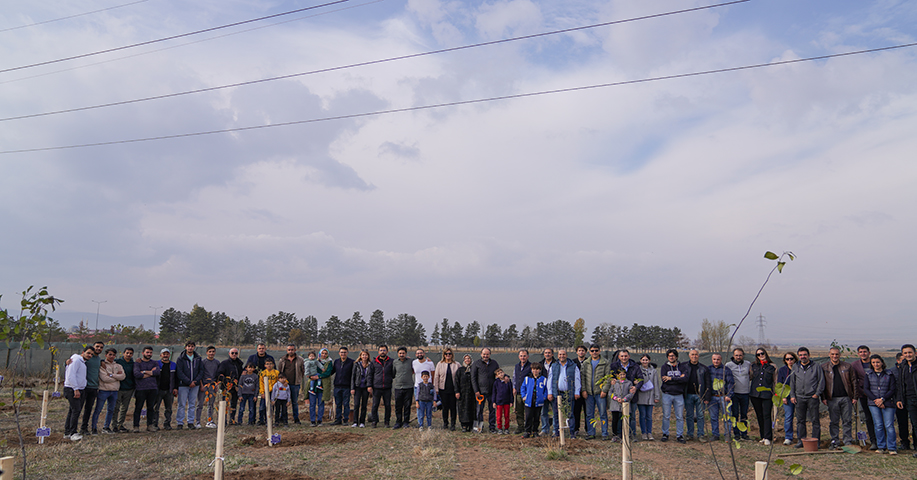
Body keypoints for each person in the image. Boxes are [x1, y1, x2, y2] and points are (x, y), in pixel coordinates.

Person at [821, 346, 857, 449]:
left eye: (836, 354)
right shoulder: (824, 367)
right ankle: (834, 441)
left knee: (847, 420)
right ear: (829, 355)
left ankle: (847, 441)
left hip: (846, 398)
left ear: (840, 355)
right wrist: (823, 397)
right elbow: (822, 384)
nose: (835, 356)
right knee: (834, 421)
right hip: (832, 399)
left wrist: (854, 396)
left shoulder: (847, 366)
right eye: (832, 354)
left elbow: (854, 381)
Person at [789, 347, 824, 448]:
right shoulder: (795, 366)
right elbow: (792, 382)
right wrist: (792, 395)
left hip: (812, 397)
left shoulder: (816, 366)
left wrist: (816, 394)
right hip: (799, 398)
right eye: (800, 355)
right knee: (800, 421)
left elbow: (821, 381)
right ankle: (801, 440)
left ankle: (816, 441)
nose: (802, 357)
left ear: (809, 355)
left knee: (815, 420)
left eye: (804, 355)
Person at [863, 354, 898, 454]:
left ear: (882, 362)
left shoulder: (889, 374)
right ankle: (881, 447)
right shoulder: (868, 374)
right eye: (873, 362)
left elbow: (892, 389)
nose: (876, 364)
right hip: (873, 403)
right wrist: (876, 400)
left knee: (889, 425)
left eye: (878, 362)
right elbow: (866, 389)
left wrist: (882, 399)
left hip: (888, 403)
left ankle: (892, 447)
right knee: (878, 425)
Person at [609, 349, 643, 438]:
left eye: (625, 356)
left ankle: (631, 434)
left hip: (631, 395)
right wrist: (611, 380)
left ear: (629, 356)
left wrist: (636, 387)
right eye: (622, 356)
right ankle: (619, 434)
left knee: (631, 416)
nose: (624, 358)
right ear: (619, 357)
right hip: (618, 397)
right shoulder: (614, 366)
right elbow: (610, 377)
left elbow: (640, 379)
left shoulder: (635, 366)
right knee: (618, 417)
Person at [64, 346, 95, 441]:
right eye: (88, 353)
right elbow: (70, 375)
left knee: (72, 410)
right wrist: (75, 389)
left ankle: (67, 432)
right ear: (83, 352)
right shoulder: (76, 360)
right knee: (76, 410)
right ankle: (73, 432)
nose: (90, 355)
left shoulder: (82, 362)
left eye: (91, 354)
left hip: (80, 389)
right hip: (72, 389)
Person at [547, 349, 580, 438]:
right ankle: (557, 432)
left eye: (564, 354)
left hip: (569, 393)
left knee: (570, 414)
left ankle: (571, 433)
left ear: (566, 355)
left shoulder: (573, 366)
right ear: (558, 356)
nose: (562, 356)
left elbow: (577, 379)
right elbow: (550, 380)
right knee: (556, 414)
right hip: (556, 394)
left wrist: (577, 391)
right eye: (560, 354)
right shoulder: (553, 366)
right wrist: (549, 392)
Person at [851, 345, 879, 450]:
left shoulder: (875, 362)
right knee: (869, 418)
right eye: (861, 352)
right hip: (864, 395)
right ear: (858, 354)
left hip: (878, 396)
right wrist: (857, 394)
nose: (863, 353)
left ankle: (882, 440)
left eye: (865, 351)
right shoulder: (855, 365)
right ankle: (873, 441)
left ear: (869, 352)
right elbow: (854, 381)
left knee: (879, 419)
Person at [582, 344, 610, 440]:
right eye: (592, 350)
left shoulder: (605, 362)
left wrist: (604, 390)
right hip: (589, 393)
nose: (594, 352)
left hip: (600, 393)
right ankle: (591, 433)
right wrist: (584, 390)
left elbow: (608, 377)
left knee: (602, 414)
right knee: (589, 414)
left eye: (596, 350)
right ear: (589, 352)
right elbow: (583, 378)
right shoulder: (586, 363)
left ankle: (604, 433)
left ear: (599, 351)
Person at [94, 347, 125, 434]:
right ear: (106, 355)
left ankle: (106, 427)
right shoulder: (102, 365)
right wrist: (116, 377)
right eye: (110, 354)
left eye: (113, 355)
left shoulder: (118, 366)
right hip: (104, 390)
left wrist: (111, 375)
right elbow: (104, 378)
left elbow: (123, 376)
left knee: (111, 410)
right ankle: (94, 427)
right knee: (98, 409)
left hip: (114, 391)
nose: (111, 356)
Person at [683, 349, 712, 442]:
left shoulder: (704, 368)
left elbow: (708, 384)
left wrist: (707, 397)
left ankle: (701, 435)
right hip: (688, 395)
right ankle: (690, 434)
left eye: (696, 354)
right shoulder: (684, 367)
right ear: (689, 355)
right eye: (692, 354)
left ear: (698, 356)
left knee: (700, 416)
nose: (694, 356)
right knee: (689, 415)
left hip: (700, 396)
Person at [750, 348, 777, 445]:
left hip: (767, 395)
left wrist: (776, 393)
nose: (761, 355)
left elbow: (775, 381)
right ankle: (762, 436)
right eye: (758, 354)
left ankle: (768, 437)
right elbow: (750, 377)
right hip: (755, 394)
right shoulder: (753, 366)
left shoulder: (772, 366)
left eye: (762, 353)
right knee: (759, 415)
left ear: (766, 354)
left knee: (767, 415)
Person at [660, 349, 687, 443]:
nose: (671, 357)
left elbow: (685, 379)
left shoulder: (682, 366)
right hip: (667, 394)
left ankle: (680, 435)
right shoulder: (664, 367)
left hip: (679, 395)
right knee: (666, 416)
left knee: (679, 416)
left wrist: (671, 378)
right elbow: (664, 379)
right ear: (668, 357)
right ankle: (665, 434)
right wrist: (678, 378)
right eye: (669, 356)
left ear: (676, 357)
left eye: (673, 356)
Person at [471, 348, 500, 433]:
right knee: (479, 410)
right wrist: (476, 390)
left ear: (490, 355)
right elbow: (473, 378)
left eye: (487, 354)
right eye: (484, 354)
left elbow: (498, 374)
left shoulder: (494, 363)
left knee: (492, 410)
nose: (485, 356)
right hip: (480, 392)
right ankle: (479, 428)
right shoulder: (476, 364)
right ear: (481, 354)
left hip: (492, 391)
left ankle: (492, 427)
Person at [132, 346, 160, 433]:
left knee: (151, 408)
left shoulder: (154, 362)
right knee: (138, 408)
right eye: (147, 352)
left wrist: (143, 372)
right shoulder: (137, 363)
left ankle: (150, 425)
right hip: (141, 389)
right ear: (143, 353)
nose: (149, 354)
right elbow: (137, 374)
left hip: (152, 388)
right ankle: (136, 426)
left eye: (150, 352)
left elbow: (157, 372)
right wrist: (150, 373)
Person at [725, 348, 751, 440]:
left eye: (740, 355)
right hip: (734, 394)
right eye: (736, 355)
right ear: (733, 355)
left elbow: (751, 375)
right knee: (735, 414)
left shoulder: (748, 364)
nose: (738, 357)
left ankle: (744, 433)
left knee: (744, 414)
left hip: (745, 393)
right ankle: (736, 434)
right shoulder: (728, 365)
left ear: (743, 355)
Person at [175, 342, 202, 430]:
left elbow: (201, 371)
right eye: (189, 346)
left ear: (194, 347)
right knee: (182, 404)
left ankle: (190, 422)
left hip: (195, 385)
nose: (190, 348)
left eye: (192, 346)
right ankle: (180, 422)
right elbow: (179, 372)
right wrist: (188, 381)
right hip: (183, 385)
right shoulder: (180, 359)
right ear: (186, 347)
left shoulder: (198, 358)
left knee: (192, 404)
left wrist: (195, 381)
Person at [79, 341, 104, 435]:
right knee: (78, 408)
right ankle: (72, 429)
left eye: (101, 347)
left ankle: (84, 428)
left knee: (88, 409)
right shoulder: (87, 357)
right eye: (97, 346)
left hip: (93, 388)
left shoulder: (98, 359)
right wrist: (67, 362)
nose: (99, 348)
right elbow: (72, 363)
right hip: (84, 387)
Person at [896, 345, 917, 453]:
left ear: (915, 353)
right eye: (905, 353)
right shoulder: (903, 366)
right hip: (906, 399)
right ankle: (906, 444)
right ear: (903, 355)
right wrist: (899, 399)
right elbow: (900, 384)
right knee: (905, 423)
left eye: (910, 352)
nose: (908, 355)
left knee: (915, 424)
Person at [708, 353, 734, 441]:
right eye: (714, 359)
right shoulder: (708, 369)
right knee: (713, 417)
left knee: (727, 417)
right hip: (712, 397)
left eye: (718, 359)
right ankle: (715, 434)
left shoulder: (726, 370)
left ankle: (727, 435)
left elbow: (731, 383)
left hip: (723, 397)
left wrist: (729, 395)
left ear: (721, 360)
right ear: (712, 360)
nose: (716, 361)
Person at [433, 347, 460, 431]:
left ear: (452, 355)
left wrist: (458, 390)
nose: (448, 355)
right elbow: (436, 377)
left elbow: (460, 377)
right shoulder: (440, 364)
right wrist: (436, 389)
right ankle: (445, 423)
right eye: (446, 354)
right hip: (443, 389)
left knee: (453, 407)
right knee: (445, 407)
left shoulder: (457, 364)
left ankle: (453, 424)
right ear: (444, 355)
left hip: (453, 390)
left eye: (449, 354)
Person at [637, 353, 663, 441]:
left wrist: (656, 396)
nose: (645, 361)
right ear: (640, 361)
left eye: (646, 360)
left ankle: (649, 432)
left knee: (649, 416)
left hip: (650, 397)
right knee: (642, 415)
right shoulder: (637, 369)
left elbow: (656, 383)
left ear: (649, 361)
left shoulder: (654, 371)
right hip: (641, 396)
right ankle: (643, 433)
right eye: (643, 360)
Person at [278, 344, 305, 425]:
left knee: (294, 402)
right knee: (283, 401)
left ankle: (296, 418)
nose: (291, 351)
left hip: (295, 384)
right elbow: (279, 371)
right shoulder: (282, 359)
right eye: (289, 350)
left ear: (295, 350)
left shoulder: (300, 359)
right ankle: (282, 418)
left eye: (292, 349)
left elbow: (303, 371)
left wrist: (299, 379)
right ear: (287, 350)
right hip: (284, 384)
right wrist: (282, 381)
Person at [368, 345, 394, 428]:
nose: (382, 352)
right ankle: (374, 421)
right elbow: (370, 375)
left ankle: (387, 422)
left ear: (387, 351)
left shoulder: (391, 361)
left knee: (387, 405)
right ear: (378, 352)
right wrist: (369, 386)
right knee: (375, 405)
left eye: (384, 350)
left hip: (387, 387)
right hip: (376, 387)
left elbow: (394, 373)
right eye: (381, 350)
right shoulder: (374, 362)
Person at [216, 348, 244, 425]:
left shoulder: (239, 363)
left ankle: (232, 420)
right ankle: (223, 420)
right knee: (225, 404)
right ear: (229, 353)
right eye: (232, 353)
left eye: (236, 353)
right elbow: (220, 374)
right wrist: (228, 383)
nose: (234, 354)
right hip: (226, 387)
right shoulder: (224, 363)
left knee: (234, 404)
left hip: (236, 388)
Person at [521, 362, 548, 438]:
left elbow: (546, 390)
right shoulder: (527, 378)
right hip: (529, 401)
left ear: (540, 370)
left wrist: (544, 397)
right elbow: (523, 388)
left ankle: (535, 431)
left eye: (537, 369)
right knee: (528, 416)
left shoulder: (544, 379)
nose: (535, 371)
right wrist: (524, 396)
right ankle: (527, 431)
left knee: (536, 417)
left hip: (538, 402)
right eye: (533, 369)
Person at [197, 346, 221, 428]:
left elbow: (218, 375)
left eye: (213, 351)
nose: (211, 353)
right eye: (210, 351)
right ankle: (197, 422)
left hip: (212, 386)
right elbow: (199, 374)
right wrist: (201, 385)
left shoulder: (217, 363)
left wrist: (217, 384)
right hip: (204, 385)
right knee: (200, 404)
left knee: (211, 404)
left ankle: (209, 421)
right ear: (207, 352)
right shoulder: (203, 362)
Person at [609, 368, 635, 442]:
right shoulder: (614, 383)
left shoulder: (629, 383)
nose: (622, 376)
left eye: (624, 374)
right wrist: (616, 398)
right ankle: (615, 435)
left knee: (622, 420)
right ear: (617, 375)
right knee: (615, 420)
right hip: (615, 405)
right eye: (620, 374)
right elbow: (610, 393)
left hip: (624, 405)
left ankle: (622, 435)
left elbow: (631, 393)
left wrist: (625, 399)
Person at [113, 347, 135, 433]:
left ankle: (120, 424)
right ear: (123, 353)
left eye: (130, 353)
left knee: (124, 408)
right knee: (116, 407)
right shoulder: (118, 362)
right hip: (119, 388)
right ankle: (113, 425)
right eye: (127, 353)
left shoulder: (133, 364)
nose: (129, 355)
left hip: (129, 388)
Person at [777, 352, 797, 444]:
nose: (790, 361)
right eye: (787, 359)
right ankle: (788, 437)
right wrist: (783, 397)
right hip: (787, 397)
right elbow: (780, 384)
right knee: (788, 417)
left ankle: (801, 437)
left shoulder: (798, 369)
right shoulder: (782, 370)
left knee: (800, 418)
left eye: (791, 359)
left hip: (798, 396)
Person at [892, 352, 911, 450]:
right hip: (899, 400)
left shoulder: (911, 369)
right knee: (902, 423)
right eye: (903, 360)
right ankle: (904, 442)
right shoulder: (893, 372)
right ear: (898, 361)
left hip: (912, 399)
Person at [392, 346, 414, 429]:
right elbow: (393, 373)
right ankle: (398, 422)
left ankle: (406, 422)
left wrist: (428, 361)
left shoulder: (411, 361)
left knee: (407, 406)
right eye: (400, 353)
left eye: (403, 353)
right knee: (398, 406)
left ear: (406, 354)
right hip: (398, 387)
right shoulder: (395, 362)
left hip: (408, 387)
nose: (401, 355)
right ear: (398, 354)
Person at [154, 348, 176, 431]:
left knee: (169, 408)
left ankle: (167, 424)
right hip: (158, 390)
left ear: (169, 355)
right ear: (160, 355)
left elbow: (176, 378)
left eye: (167, 354)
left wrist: (175, 388)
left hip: (169, 390)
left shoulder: (173, 365)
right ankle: (155, 424)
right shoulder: (156, 364)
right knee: (156, 408)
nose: (165, 355)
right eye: (164, 354)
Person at [331, 347, 354, 426]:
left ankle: (345, 420)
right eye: (341, 352)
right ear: (339, 353)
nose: (343, 354)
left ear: (347, 353)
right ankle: (338, 419)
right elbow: (331, 371)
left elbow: (353, 375)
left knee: (346, 404)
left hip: (346, 387)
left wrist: (352, 387)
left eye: (344, 352)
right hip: (337, 386)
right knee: (338, 404)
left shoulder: (351, 362)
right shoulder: (336, 362)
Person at [511, 349, 532, 434]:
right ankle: (520, 427)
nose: (523, 357)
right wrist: (514, 387)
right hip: (518, 392)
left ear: (527, 356)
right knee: (519, 411)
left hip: (527, 393)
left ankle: (528, 428)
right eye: (521, 356)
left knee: (528, 411)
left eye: (524, 356)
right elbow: (514, 377)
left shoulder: (530, 366)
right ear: (519, 356)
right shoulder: (517, 366)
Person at [351, 349, 372, 427]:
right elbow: (353, 376)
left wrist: (370, 387)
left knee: (364, 405)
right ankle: (355, 422)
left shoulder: (370, 365)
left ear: (368, 356)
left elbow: (371, 376)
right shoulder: (356, 364)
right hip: (357, 387)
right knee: (356, 405)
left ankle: (362, 422)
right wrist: (352, 388)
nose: (364, 356)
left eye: (366, 355)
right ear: (360, 356)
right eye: (363, 355)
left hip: (366, 387)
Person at [457, 353, 476, 432]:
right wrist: (457, 392)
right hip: (462, 393)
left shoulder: (474, 369)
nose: (467, 360)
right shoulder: (460, 370)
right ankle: (464, 425)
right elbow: (456, 381)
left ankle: (471, 425)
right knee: (463, 409)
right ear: (464, 360)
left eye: (469, 358)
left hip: (472, 393)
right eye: (466, 359)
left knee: (472, 409)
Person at [572, 345, 589, 437]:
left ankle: (588, 429)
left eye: (583, 350)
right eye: (579, 350)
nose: (581, 352)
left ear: (585, 352)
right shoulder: (573, 362)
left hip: (587, 391)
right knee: (576, 411)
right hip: (576, 392)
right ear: (577, 352)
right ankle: (576, 429)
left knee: (588, 411)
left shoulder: (588, 362)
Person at [540, 348, 557, 436]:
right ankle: (545, 429)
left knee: (555, 412)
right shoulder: (540, 364)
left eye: (549, 353)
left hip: (553, 391)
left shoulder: (557, 364)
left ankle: (555, 430)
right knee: (543, 412)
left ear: (552, 354)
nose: (547, 354)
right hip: (542, 392)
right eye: (546, 353)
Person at [492, 368, 514, 434]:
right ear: (496, 376)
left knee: (507, 416)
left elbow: (511, 392)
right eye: (499, 373)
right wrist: (494, 402)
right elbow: (494, 393)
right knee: (499, 416)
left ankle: (506, 428)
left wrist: (511, 401)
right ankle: (499, 428)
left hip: (507, 401)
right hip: (499, 402)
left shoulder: (508, 382)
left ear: (504, 372)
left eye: (501, 372)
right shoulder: (496, 383)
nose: (501, 374)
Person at [258, 359, 281, 425]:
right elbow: (261, 383)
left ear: (273, 365)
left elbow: (280, 380)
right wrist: (262, 392)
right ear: (265, 365)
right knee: (262, 407)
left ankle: (270, 420)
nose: (269, 365)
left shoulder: (276, 372)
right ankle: (261, 420)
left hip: (274, 392)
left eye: (270, 364)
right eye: (267, 364)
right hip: (265, 392)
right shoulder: (263, 373)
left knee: (272, 407)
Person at [305, 351, 321, 426]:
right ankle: (312, 420)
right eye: (310, 356)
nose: (312, 357)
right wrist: (309, 375)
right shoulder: (307, 362)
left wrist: (319, 376)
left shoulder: (318, 362)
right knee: (312, 404)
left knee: (320, 403)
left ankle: (320, 420)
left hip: (321, 388)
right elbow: (306, 368)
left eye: (313, 356)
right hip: (311, 377)